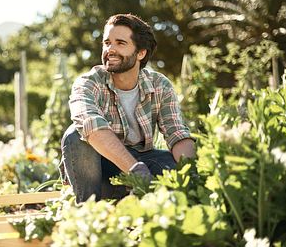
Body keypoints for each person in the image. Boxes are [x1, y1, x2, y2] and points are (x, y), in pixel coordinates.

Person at [61, 13, 196, 203]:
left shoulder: (159, 85)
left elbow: (177, 133)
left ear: (141, 53)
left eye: (120, 43)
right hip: (100, 168)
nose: (110, 49)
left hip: (142, 158)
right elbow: (91, 125)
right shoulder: (88, 83)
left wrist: (190, 174)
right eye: (107, 43)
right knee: (75, 135)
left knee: (173, 165)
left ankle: (133, 194)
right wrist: (134, 170)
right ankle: (89, 209)